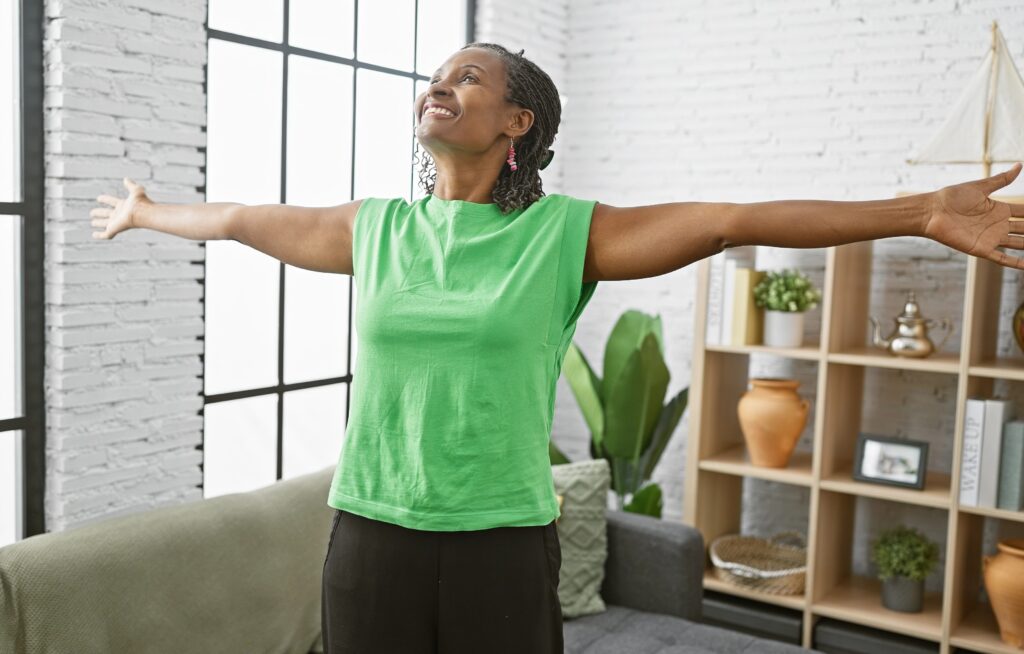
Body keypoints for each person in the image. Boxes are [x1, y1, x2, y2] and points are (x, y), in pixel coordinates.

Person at [90, 41, 1024, 654]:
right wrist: (146, 212)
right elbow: (246, 219)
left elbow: (731, 219)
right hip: (372, 534)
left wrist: (922, 211)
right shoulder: (373, 230)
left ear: (516, 123)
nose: (439, 87)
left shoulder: (563, 236)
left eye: (467, 79)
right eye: (437, 78)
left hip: (501, 538)